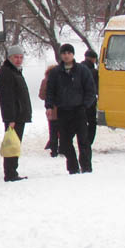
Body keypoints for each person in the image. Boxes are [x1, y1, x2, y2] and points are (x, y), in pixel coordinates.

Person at [45, 43, 96, 174]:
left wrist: (85, 105)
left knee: (83, 140)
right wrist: (49, 106)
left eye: (69, 53)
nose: (66, 56)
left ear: (73, 55)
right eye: (64, 53)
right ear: (61, 55)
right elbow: (50, 90)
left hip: (79, 110)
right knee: (65, 142)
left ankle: (86, 167)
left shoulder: (82, 70)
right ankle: (73, 167)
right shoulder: (56, 72)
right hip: (63, 110)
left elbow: (91, 90)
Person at [0, 45, 32, 181]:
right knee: (12, 144)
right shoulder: (6, 72)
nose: (18, 60)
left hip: (19, 114)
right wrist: (10, 118)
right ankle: (10, 173)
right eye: (16, 57)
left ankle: (12, 171)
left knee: (15, 143)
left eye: (21, 57)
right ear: (9, 58)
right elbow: (7, 98)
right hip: (14, 116)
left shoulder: (16, 71)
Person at [38, 64, 59, 157]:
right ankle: (62, 148)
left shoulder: (45, 81)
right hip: (62, 109)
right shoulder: (61, 80)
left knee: (53, 130)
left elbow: (41, 96)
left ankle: (54, 150)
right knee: (62, 129)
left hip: (50, 110)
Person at [82, 48, 100, 145]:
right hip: (90, 102)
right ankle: (87, 143)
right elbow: (96, 87)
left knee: (78, 124)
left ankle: (64, 144)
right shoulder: (94, 72)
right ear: (93, 59)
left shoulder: (78, 68)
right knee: (92, 124)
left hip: (78, 101)